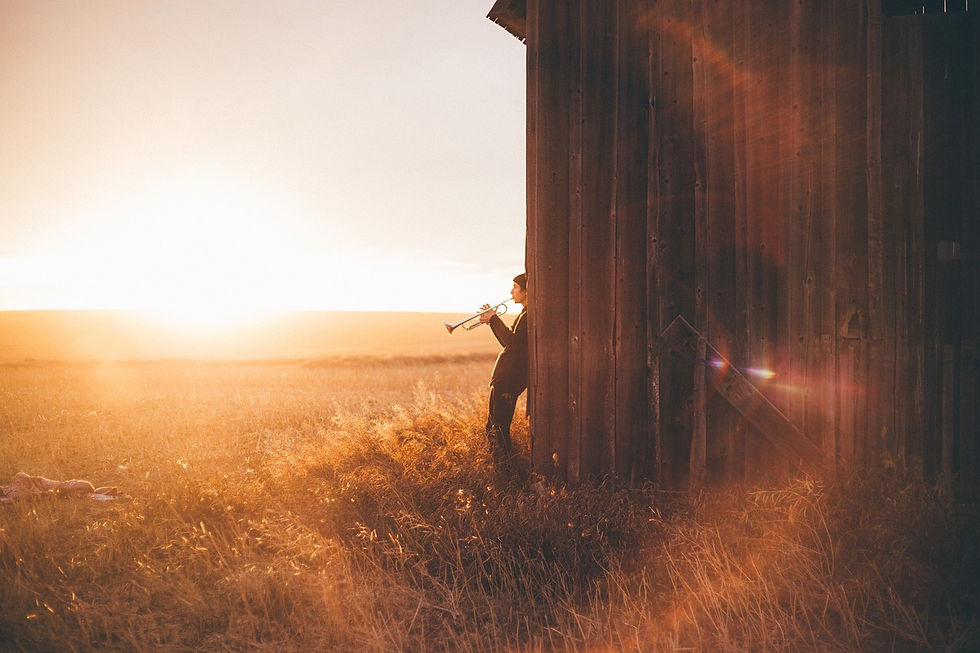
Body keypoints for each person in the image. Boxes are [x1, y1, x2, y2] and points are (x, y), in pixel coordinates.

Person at [479, 273, 528, 476]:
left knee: (498, 430)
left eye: (515, 287)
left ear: (527, 291)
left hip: (508, 382)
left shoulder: (529, 315)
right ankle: (503, 472)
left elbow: (514, 345)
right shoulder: (525, 314)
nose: (511, 291)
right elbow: (509, 342)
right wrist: (492, 322)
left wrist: (494, 319)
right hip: (504, 381)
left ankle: (509, 475)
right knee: (493, 428)